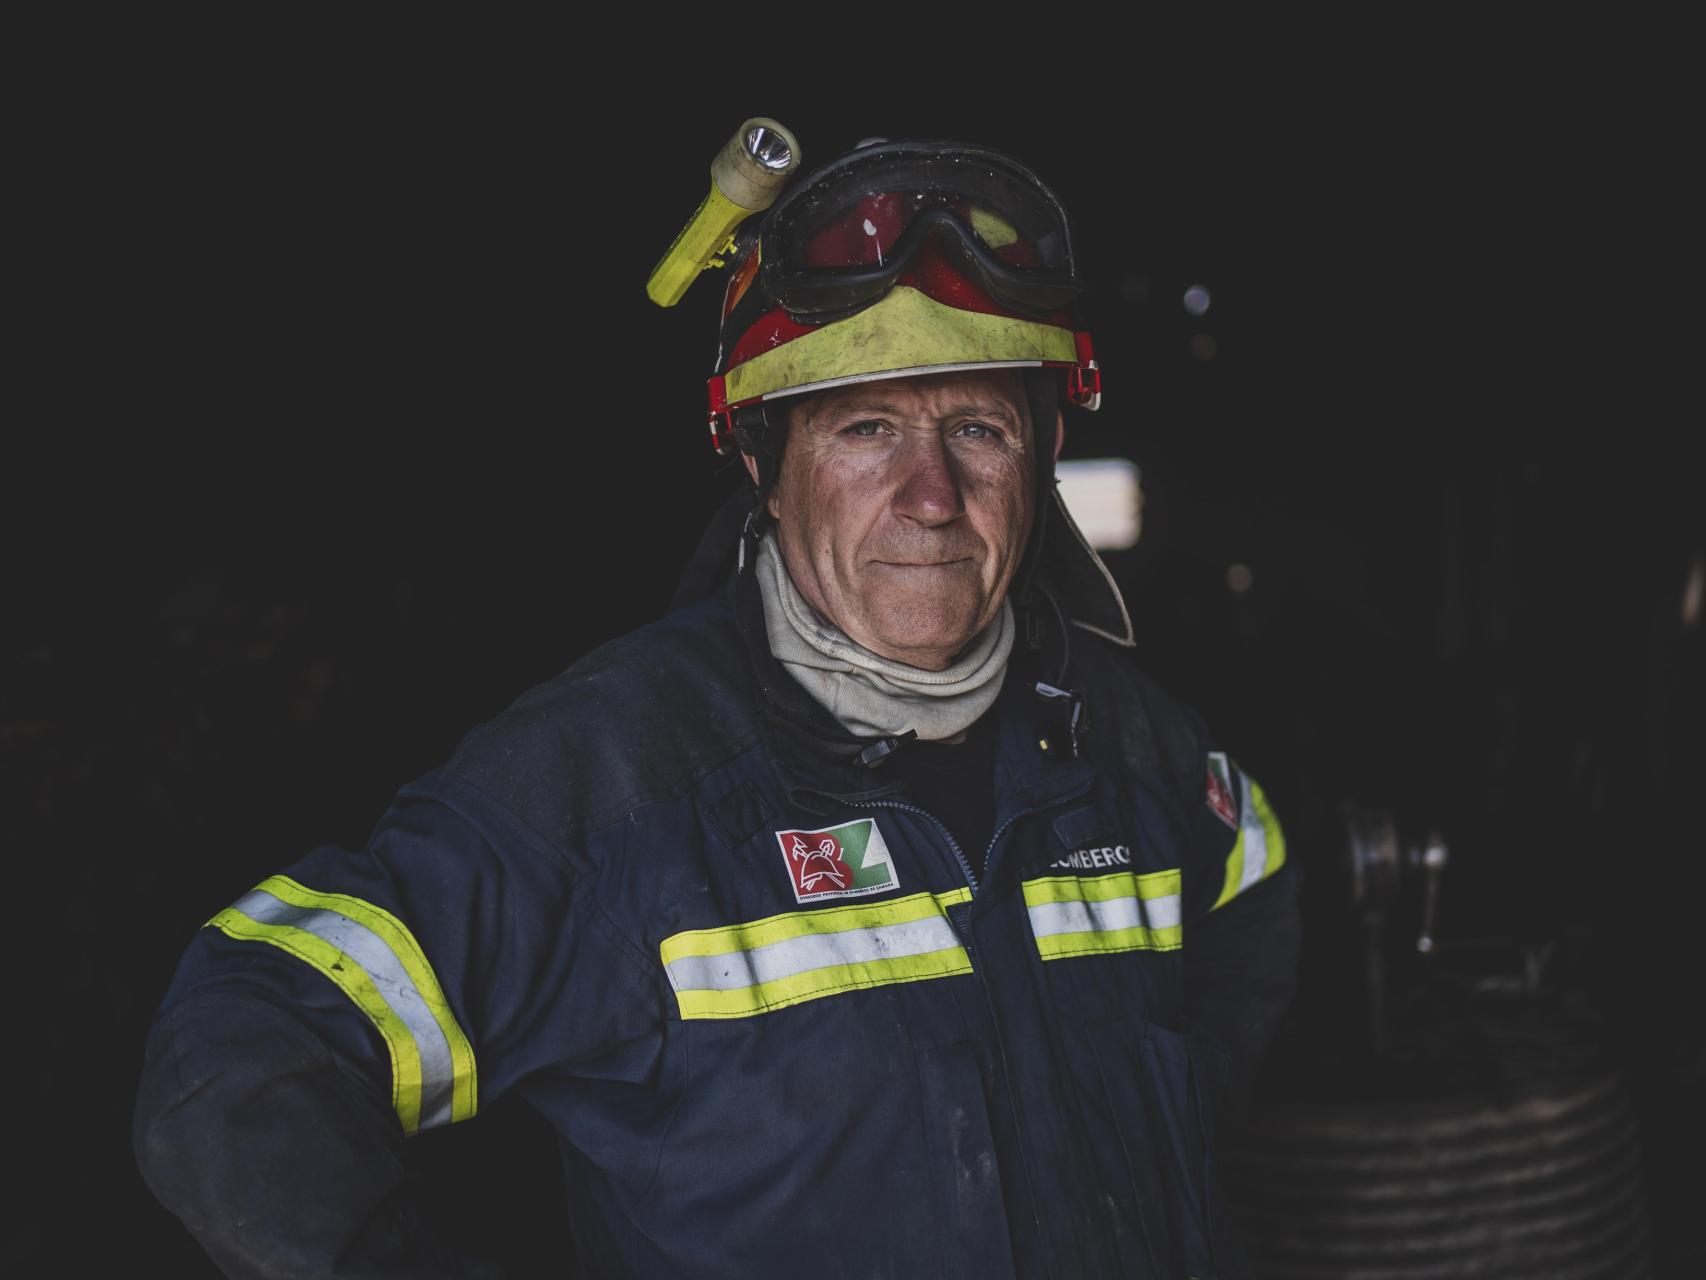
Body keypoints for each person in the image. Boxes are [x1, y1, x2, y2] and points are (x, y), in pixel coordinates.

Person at [135, 135, 1301, 1279]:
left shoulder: (1130, 740)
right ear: (759, 459)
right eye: (865, 427)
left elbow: (1251, 884)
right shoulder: (611, 779)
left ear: (1040, 454)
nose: (932, 495)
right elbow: (245, 1048)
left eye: (977, 427)